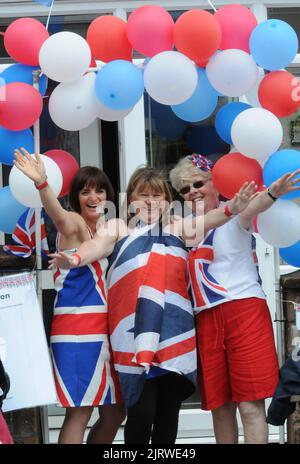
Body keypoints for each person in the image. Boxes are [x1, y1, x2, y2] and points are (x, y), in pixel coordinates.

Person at [47, 165, 257, 444]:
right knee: (142, 412)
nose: (149, 201)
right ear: (130, 199)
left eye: (157, 195)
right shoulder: (117, 227)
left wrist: (233, 207)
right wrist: (74, 259)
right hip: (133, 336)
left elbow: (212, 218)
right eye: (142, 194)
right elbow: (95, 247)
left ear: (167, 202)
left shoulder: (175, 226)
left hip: (174, 333)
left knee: (168, 414)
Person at [169, 153, 300, 444]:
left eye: (198, 184)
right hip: (204, 317)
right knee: (220, 406)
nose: (192, 192)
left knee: (250, 404)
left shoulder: (233, 208)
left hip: (244, 311)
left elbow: (254, 206)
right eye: (185, 189)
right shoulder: (182, 225)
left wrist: (273, 193)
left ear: (215, 183)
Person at [14, 148, 125, 444]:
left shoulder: (107, 230)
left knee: (115, 411)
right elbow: (59, 216)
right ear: (76, 197)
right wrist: (42, 184)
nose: (94, 197)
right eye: (86, 191)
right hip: (78, 331)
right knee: (80, 413)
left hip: (102, 332)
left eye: (100, 191)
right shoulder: (76, 224)